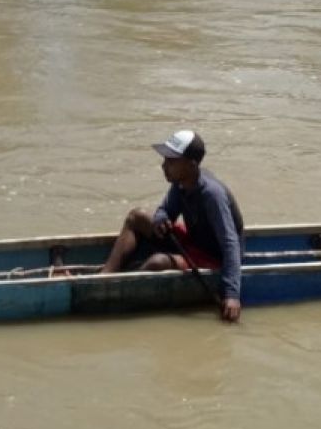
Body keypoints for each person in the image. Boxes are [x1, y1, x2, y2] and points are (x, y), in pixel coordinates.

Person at [101, 130, 245, 322]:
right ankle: (104, 278)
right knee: (137, 217)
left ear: (191, 165)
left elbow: (230, 244)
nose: (164, 165)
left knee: (157, 262)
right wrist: (161, 218)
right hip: (195, 240)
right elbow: (165, 209)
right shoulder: (181, 183)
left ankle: (121, 290)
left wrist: (232, 294)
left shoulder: (212, 195)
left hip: (213, 256)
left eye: (171, 161)